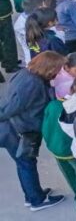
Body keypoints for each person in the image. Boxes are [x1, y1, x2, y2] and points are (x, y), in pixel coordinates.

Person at [0, 51, 66, 210]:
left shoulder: (24, 73)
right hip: (19, 131)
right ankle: (37, 200)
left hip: (15, 128)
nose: (58, 72)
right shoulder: (33, 83)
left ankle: (32, 195)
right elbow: (12, 107)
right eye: (57, 69)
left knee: (23, 163)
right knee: (26, 163)